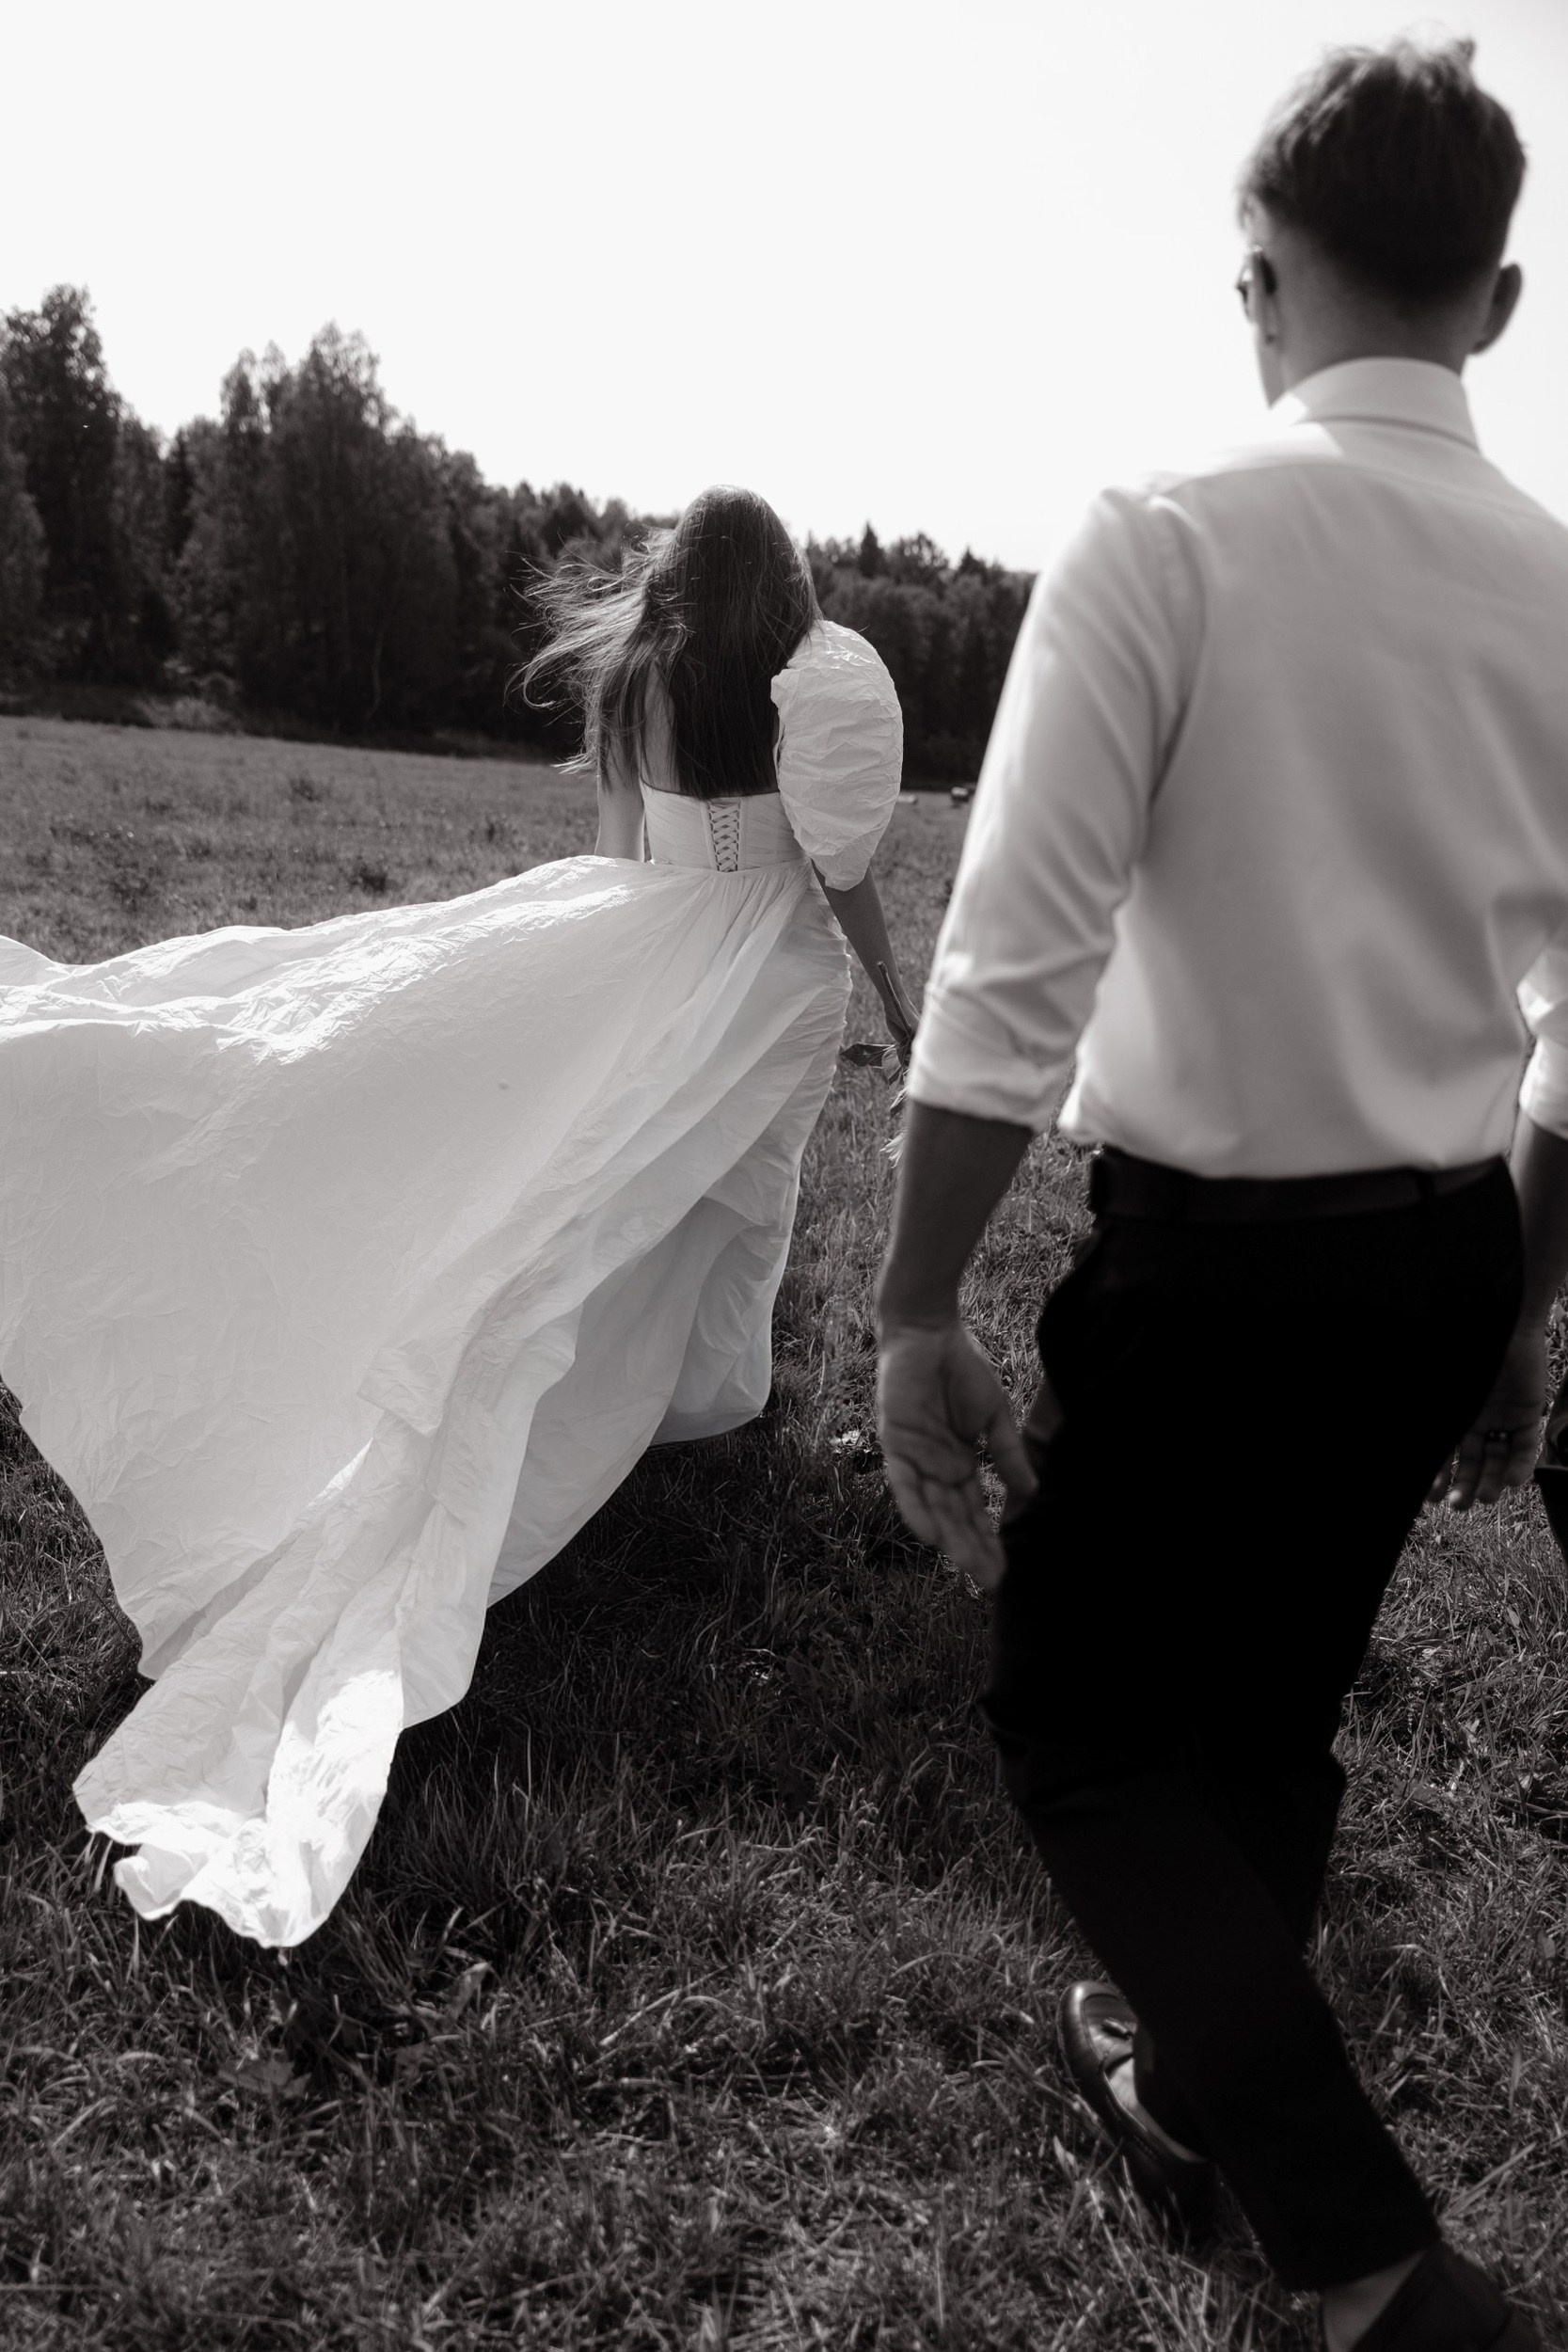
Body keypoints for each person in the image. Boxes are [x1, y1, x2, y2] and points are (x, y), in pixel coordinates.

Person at [876, 40, 1560, 2352]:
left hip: (1220, 1264)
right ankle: (1183, 2085)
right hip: (1447, 1247)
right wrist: (1528, 1300)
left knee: (1081, 1718)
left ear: (1258, 274)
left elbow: (1011, 970)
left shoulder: (1165, 528)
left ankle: (1370, 2262)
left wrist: (914, 1308)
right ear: (1499, 303)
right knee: (1268, 1708)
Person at [0, 485, 917, 1949]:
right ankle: (708, 1386)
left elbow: (622, 859)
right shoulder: (803, 688)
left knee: (592, 1188)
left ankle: (700, 1383)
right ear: (784, 585)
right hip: (763, 971)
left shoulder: (640, 684)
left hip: (646, 943)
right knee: (730, 1196)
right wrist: (899, 1006)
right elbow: (844, 872)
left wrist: (593, 1004)